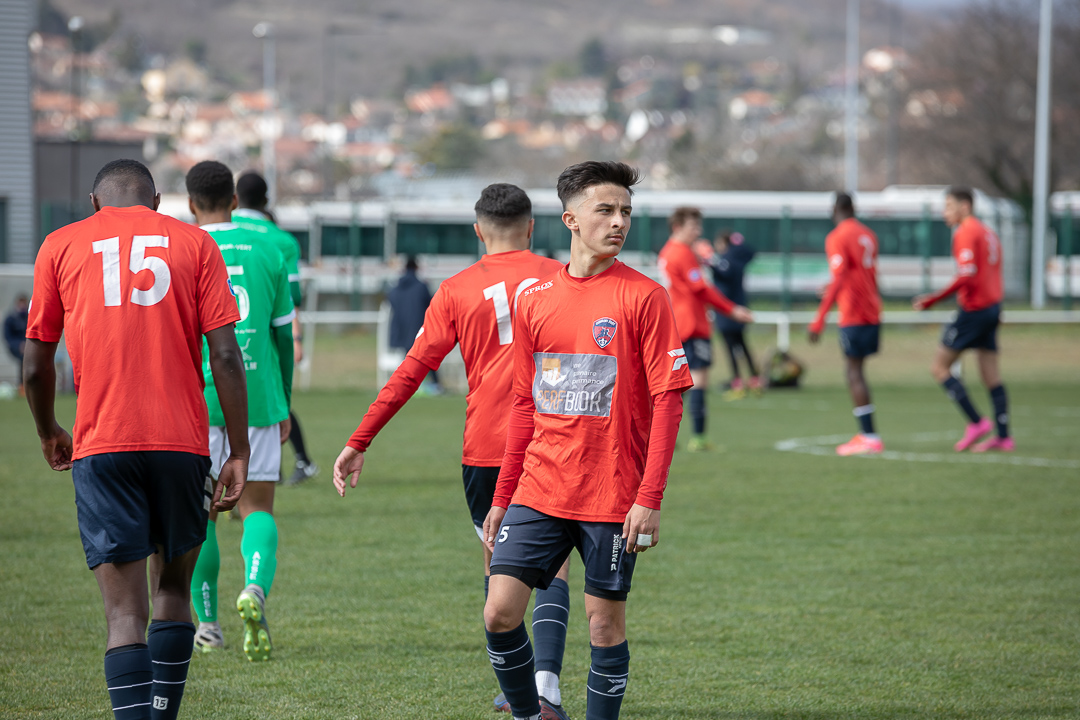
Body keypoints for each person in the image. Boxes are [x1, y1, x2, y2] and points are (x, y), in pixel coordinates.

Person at [23, 159, 249, 720]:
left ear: (96, 203)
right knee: (172, 590)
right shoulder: (194, 244)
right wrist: (239, 450)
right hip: (183, 444)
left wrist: (49, 427)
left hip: (103, 445)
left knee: (125, 615)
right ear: (156, 203)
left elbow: (34, 364)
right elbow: (225, 354)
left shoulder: (60, 244)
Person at [333, 184, 569, 716]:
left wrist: (358, 440)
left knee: (499, 564)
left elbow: (413, 371)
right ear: (532, 227)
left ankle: (521, 694)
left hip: (486, 448)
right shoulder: (563, 276)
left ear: (477, 230)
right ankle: (546, 686)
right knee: (553, 568)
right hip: (553, 440)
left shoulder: (458, 289)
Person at [481, 161, 693, 720]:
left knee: (605, 623)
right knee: (499, 612)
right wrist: (503, 498)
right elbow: (525, 407)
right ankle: (532, 714)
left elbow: (669, 399)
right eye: (606, 210)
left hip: (613, 494)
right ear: (570, 218)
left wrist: (649, 498)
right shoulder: (535, 299)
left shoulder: (646, 298)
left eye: (626, 211)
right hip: (540, 487)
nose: (619, 221)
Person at [185, 161, 295, 661]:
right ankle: (254, 589)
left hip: (198, 403)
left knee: (201, 518)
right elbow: (283, 338)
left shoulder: (182, 250)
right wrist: (285, 402)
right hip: (258, 401)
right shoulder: (270, 247)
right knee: (257, 510)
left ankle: (207, 624)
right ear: (234, 200)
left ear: (191, 205)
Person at [233, 172, 318, 485]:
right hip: (263, 344)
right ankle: (267, 471)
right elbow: (290, 300)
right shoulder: (281, 241)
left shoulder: (208, 235)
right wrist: (295, 339)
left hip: (217, 343)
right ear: (266, 200)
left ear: (234, 199)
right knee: (269, 404)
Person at [913, 186, 1012, 452]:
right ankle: (1004, 437)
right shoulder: (988, 232)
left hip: (975, 310)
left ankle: (977, 422)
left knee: (939, 368)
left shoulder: (966, 231)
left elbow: (966, 274)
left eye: (948, 206)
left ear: (965, 206)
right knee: (990, 373)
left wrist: (933, 299)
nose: (944, 212)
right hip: (992, 308)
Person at [657, 207, 753, 451]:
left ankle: (658, 435)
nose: (698, 231)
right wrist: (732, 309)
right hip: (692, 324)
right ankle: (698, 438)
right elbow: (701, 289)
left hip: (677, 323)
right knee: (697, 381)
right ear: (678, 227)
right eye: (693, 227)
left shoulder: (667, 252)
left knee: (677, 385)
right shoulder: (682, 253)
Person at [808, 193, 885, 456]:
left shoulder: (838, 236)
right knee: (857, 370)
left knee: (853, 372)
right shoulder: (868, 234)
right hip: (872, 310)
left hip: (854, 314)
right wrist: (833, 289)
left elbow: (840, 277)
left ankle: (869, 437)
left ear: (836, 210)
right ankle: (868, 434)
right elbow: (859, 276)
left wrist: (819, 320)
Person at [701, 231, 761, 400]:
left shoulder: (727, 260)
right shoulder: (739, 258)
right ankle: (755, 380)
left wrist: (709, 263)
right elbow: (751, 252)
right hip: (738, 307)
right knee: (743, 346)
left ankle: (738, 383)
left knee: (731, 348)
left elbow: (723, 274)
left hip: (728, 311)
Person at [387, 255, 442, 395]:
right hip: (420, 328)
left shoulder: (396, 287)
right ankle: (434, 385)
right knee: (429, 358)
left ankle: (406, 387)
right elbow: (431, 305)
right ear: (416, 268)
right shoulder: (421, 286)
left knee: (409, 360)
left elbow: (391, 301)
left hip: (402, 329)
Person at [4, 294, 28, 395]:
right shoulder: (11, 319)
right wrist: (19, 345)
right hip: (16, 347)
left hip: (28, 346)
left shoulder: (30, 317)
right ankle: (22, 386)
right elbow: (8, 337)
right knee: (23, 359)